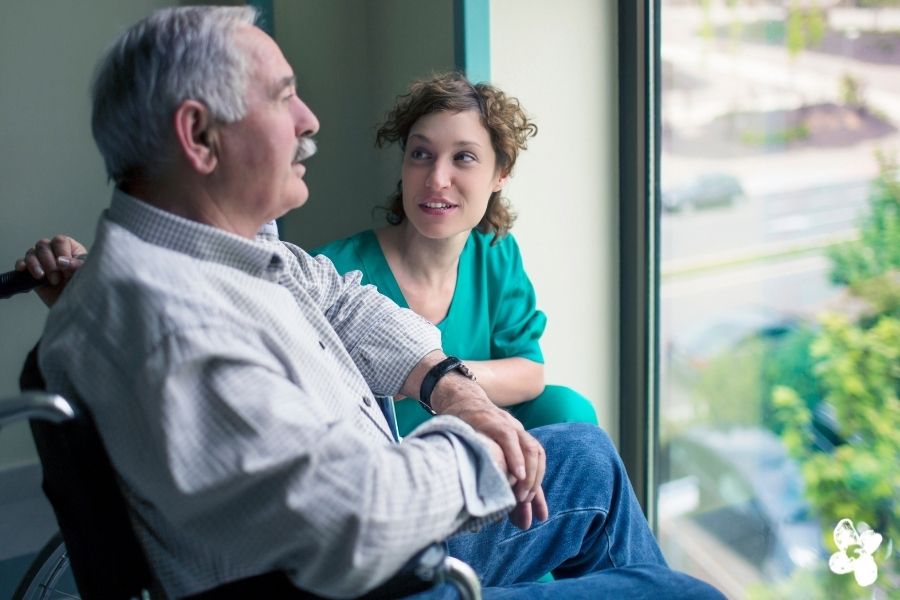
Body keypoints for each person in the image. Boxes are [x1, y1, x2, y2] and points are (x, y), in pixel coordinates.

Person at [23, 6, 723, 599]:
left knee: (589, 459)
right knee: (689, 593)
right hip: (389, 574)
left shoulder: (220, 253)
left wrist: (453, 388)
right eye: (282, 97)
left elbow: (344, 303)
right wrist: (481, 446)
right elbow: (357, 517)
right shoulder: (175, 324)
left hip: (385, 515)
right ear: (200, 136)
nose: (308, 118)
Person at [312, 74, 597, 437]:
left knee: (568, 410)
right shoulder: (330, 273)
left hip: (476, 448)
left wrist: (432, 375)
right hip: (380, 466)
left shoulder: (495, 253)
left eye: (463, 157)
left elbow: (530, 372)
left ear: (501, 174)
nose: (436, 178)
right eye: (421, 154)